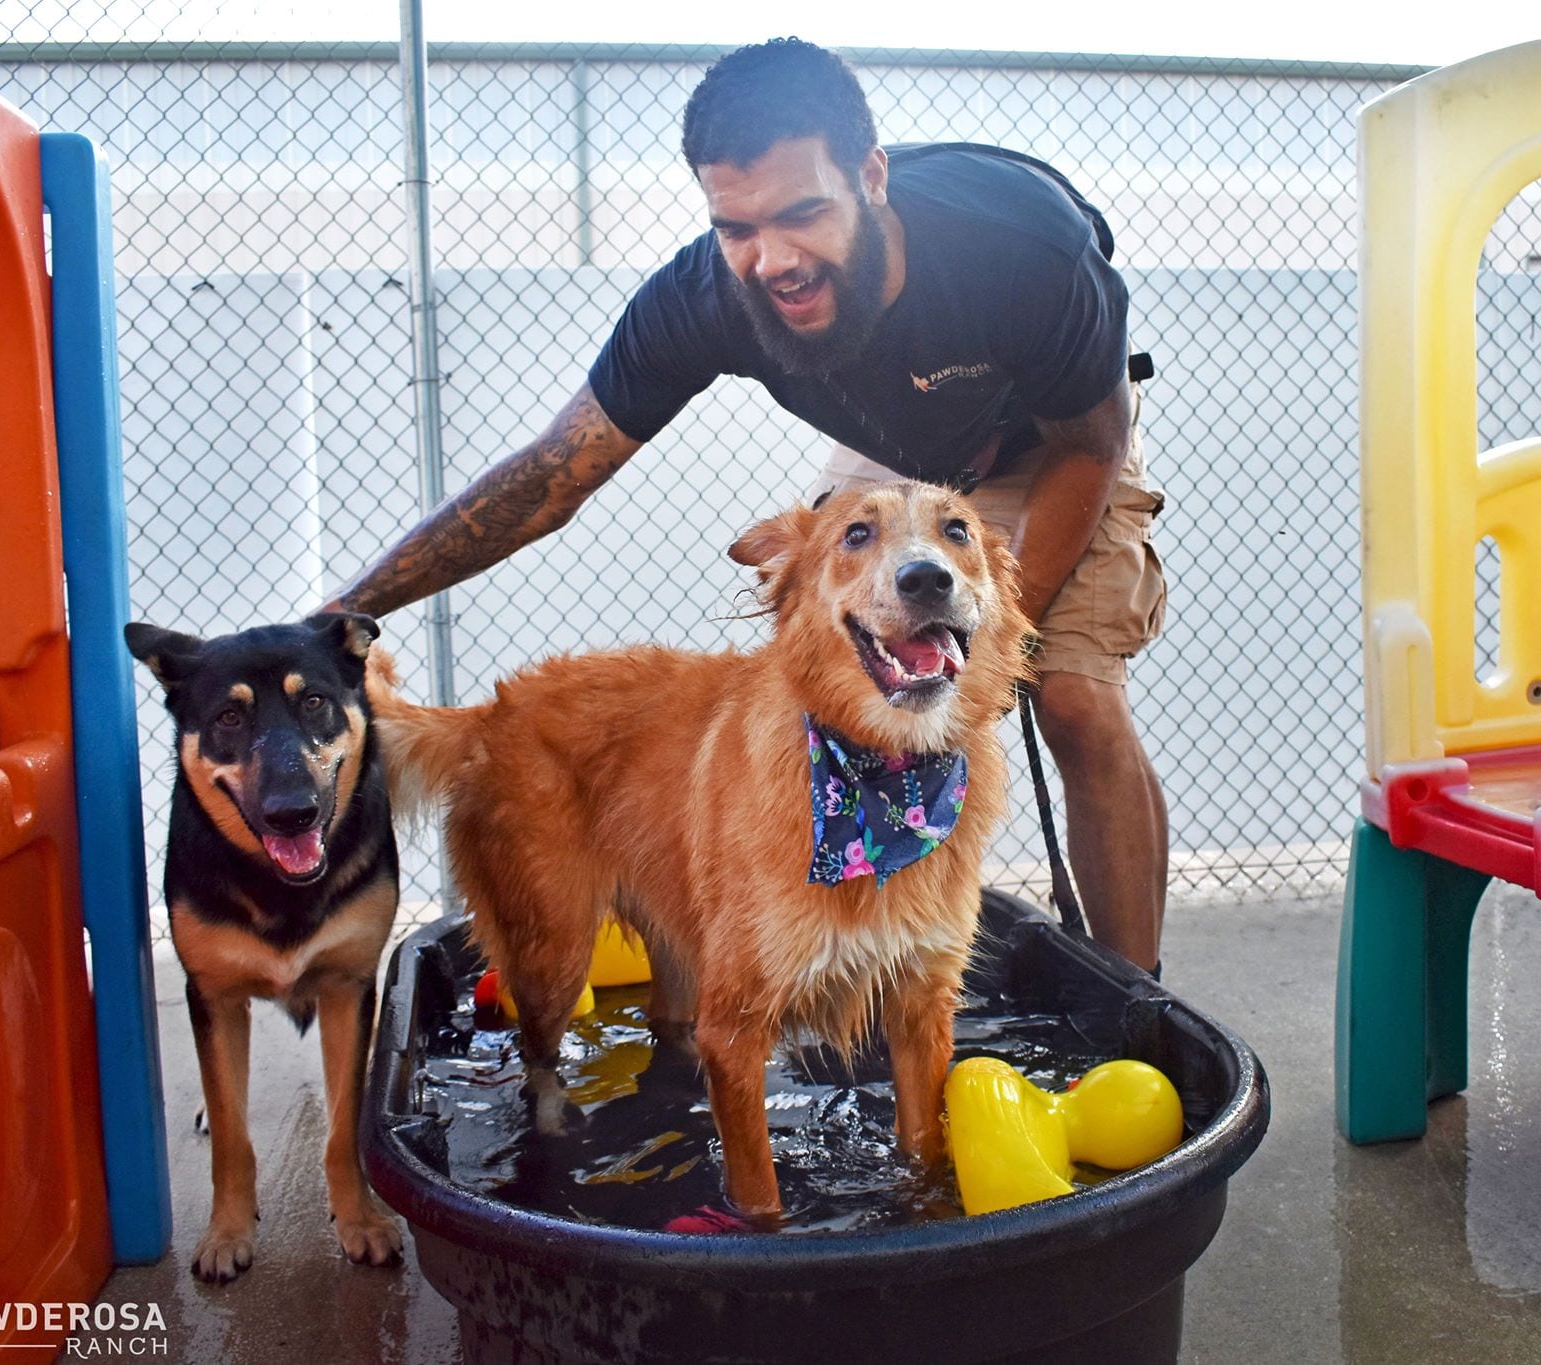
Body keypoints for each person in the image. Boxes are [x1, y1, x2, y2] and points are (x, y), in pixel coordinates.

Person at [335, 38, 1171, 973]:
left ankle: (1138, 1005)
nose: (774, 259)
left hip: (1053, 445)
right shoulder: (705, 300)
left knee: (1071, 700)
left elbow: (1091, 446)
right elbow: (550, 478)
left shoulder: (1021, 246)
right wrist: (349, 609)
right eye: (738, 227)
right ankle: (848, 947)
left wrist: (995, 631)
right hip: (893, 454)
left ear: (871, 177)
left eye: (804, 214)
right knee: (826, 674)